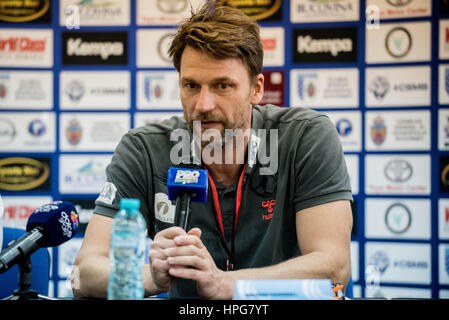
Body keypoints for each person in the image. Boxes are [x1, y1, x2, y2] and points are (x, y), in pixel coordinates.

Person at [72, 1, 353, 299]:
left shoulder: (305, 137)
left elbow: (334, 271)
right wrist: (150, 277)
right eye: (191, 85)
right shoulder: (143, 149)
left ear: (256, 89)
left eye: (222, 86)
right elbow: (81, 275)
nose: (203, 105)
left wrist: (222, 284)